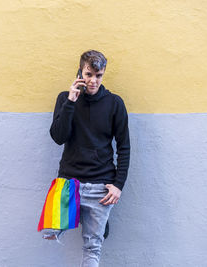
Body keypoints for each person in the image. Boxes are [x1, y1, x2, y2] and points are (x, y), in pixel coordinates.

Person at [42, 50, 131, 267]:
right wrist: (71, 101)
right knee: (50, 231)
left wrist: (118, 185)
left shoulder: (114, 103)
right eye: (89, 74)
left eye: (98, 75)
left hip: (101, 187)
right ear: (80, 72)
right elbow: (58, 137)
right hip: (70, 185)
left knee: (93, 246)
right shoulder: (65, 98)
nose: (93, 81)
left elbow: (124, 147)